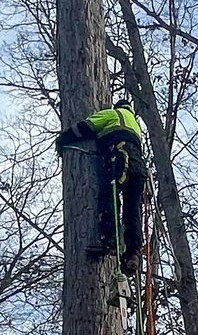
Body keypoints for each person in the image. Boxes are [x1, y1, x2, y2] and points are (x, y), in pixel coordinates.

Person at [55, 103, 147, 267]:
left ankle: (109, 240)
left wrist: (63, 138)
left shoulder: (113, 114)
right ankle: (133, 252)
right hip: (139, 168)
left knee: (109, 195)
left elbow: (86, 127)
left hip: (121, 158)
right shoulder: (136, 125)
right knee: (132, 209)